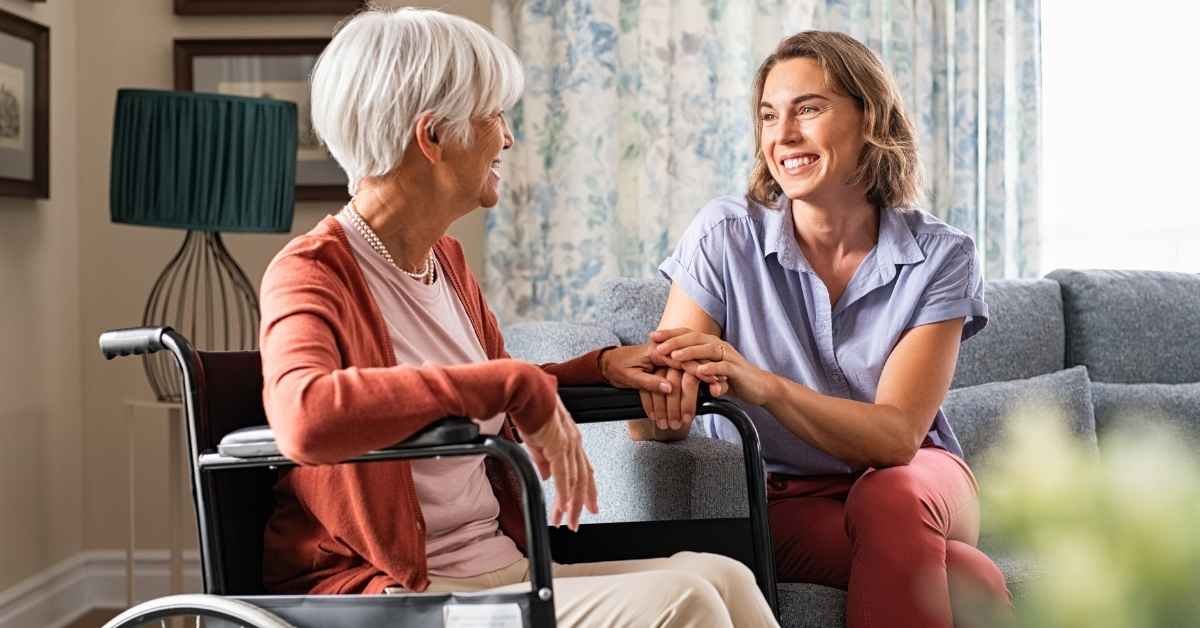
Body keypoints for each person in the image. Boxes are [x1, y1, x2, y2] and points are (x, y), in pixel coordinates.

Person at [257, 7, 779, 627]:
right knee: (683, 601)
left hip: (499, 569)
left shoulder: (443, 262)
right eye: (493, 117)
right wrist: (511, 381)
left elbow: (484, 391)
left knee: (720, 573)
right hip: (404, 595)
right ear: (433, 138)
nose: (507, 138)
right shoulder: (312, 271)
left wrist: (604, 367)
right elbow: (304, 417)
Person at [633, 31, 1014, 628]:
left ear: (871, 119)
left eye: (808, 109)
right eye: (768, 116)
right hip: (788, 498)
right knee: (971, 577)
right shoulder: (723, 237)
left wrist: (766, 386)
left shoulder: (941, 256)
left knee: (891, 494)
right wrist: (664, 404)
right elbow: (647, 412)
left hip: (920, 480)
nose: (783, 135)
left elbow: (894, 440)